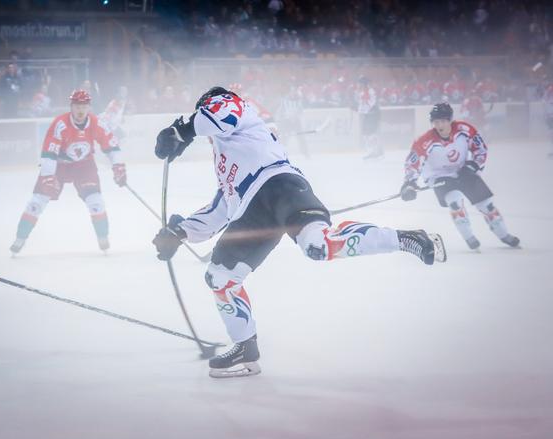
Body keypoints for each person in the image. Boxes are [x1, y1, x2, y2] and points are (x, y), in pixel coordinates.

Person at [151, 86, 447, 378]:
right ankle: (245, 348)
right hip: (252, 213)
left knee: (317, 246)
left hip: (279, 186)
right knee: (219, 276)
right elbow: (222, 208)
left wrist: (182, 130)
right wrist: (180, 232)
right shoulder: (224, 153)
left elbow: (220, 114)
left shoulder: (233, 107)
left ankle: (407, 239)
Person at [10, 90, 127, 254]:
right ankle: (20, 238)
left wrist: (118, 166)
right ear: (71, 107)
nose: (80, 110)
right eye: (77, 106)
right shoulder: (60, 124)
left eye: (84, 106)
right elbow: (49, 153)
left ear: (89, 108)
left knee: (96, 202)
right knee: (36, 202)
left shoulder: (96, 123)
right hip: (58, 166)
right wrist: (47, 176)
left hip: (84, 166)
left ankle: (103, 238)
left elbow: (112, 146)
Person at [400, 103, 520, 250]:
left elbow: (480, 149)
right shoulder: (424, 140)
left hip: (464, 171)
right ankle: (469, 237)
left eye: (443, 121)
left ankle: (504, 235)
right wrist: (409, 183)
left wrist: (473, 165)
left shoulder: (465, 130)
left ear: (450, 120)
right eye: (436, 122)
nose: (439, 125)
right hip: (439, 176)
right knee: (455, 202)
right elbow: (413, 162)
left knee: (487, 204)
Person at [354, 76, 382, 160]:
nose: (358, 85)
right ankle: (374, 151)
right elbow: (362, 106)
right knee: (366, 133)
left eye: (359, 83)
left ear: (363, 84)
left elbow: (370, 104)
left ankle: (375, 152)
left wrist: (361, 109)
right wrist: (357, 108)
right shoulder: (363, 92)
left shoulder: (369, 91)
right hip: (369, 114)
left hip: (373, 114)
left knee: (369, 133)